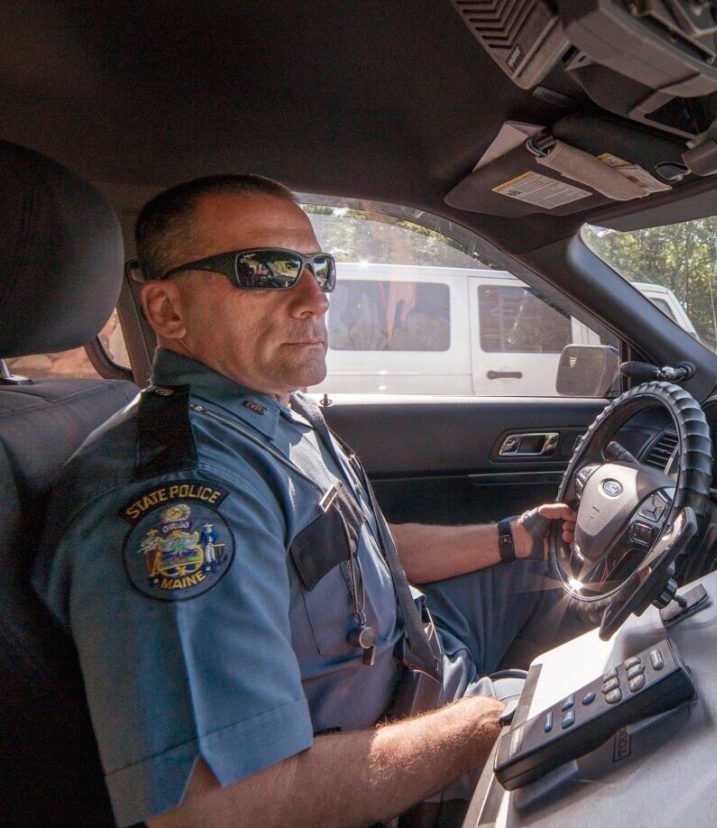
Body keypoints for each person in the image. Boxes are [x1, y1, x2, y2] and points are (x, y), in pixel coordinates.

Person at [33, 175, 583, 827]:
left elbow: (359, 558)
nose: (316, 299)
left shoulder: (266, 411)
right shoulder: (180, 501)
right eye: (266, 270)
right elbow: (224, 811)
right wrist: (497, 721)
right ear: (168, 311)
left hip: (418, 654)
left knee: (557, 566)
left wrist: (512, 536)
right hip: (387, 769)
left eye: (319, 270)